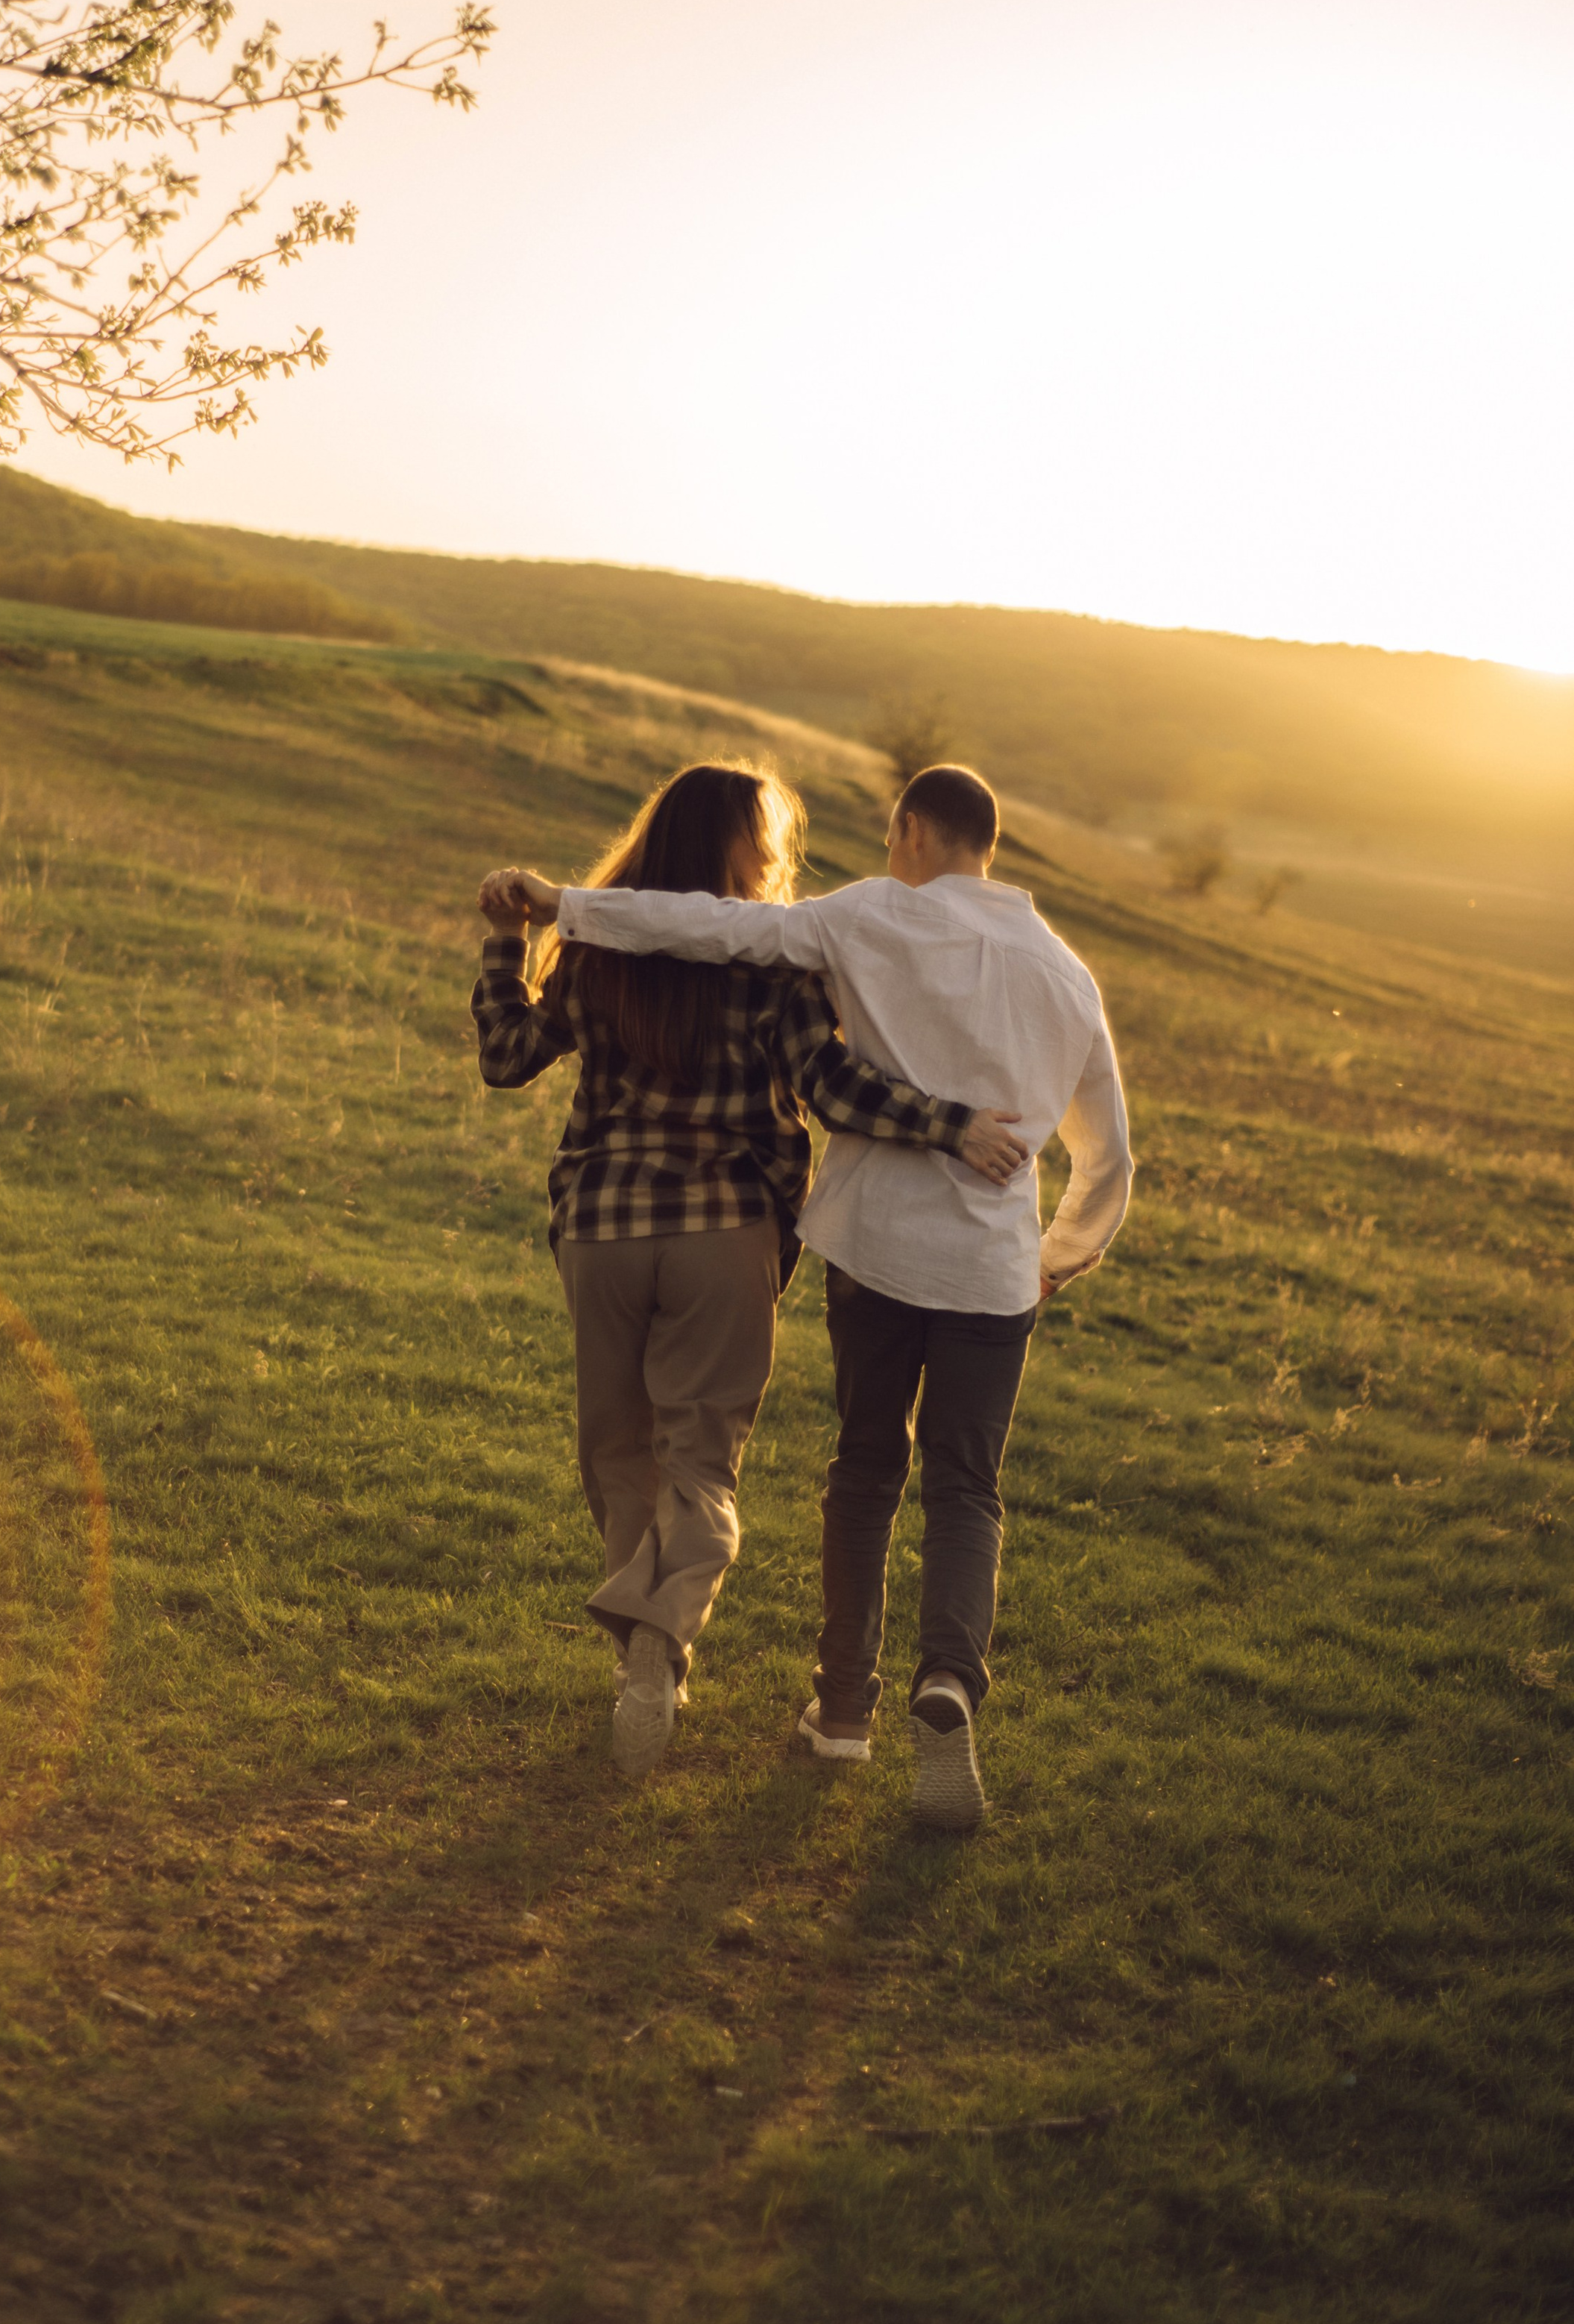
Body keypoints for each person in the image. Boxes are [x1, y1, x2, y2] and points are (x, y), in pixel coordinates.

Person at [480, 760, 1133, 1831]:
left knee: (791, 1462)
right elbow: (1094, 1151)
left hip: (740, 1241)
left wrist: (546, 917)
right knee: (935, 1484)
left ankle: (803, 1699)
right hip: (895, 1256)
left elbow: (612, 987)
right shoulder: (1057, 972)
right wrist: (1046, 1244)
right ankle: (918, 1676)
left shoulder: (838, 920)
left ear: (910, 831)